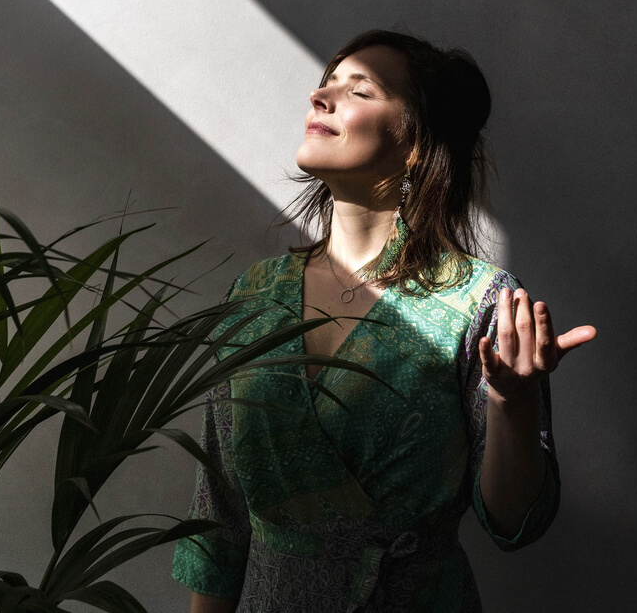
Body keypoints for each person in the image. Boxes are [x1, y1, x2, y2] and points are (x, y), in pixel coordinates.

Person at [172, 30, 596, 613]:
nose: (320, 96)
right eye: (326, 83)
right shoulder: (256, 294)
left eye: (359, 89)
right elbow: (218, 511)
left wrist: (512, 403)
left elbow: (513, 522)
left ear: (417, 143)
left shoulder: (480, 302)